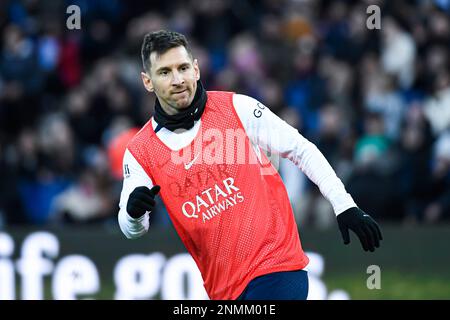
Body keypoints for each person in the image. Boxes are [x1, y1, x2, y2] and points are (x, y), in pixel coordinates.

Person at [118, 30, 382, 300]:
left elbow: (301, 149)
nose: (178, 80)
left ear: (196, 69)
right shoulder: (140, 152)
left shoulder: (237, 108)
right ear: (147, 82)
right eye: (164, 72)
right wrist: (134, 213)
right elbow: (131, 230)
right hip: (223, 291)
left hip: (277, 267)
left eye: (183, 68)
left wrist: (344, 204)